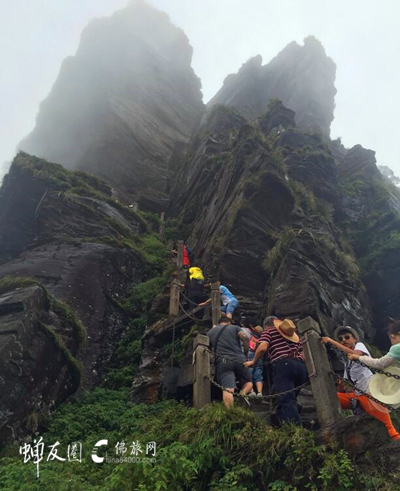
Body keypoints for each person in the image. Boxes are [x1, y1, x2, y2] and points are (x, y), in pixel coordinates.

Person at [321, 326, 400, 441]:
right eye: (340, 338)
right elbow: (343, 386)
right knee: (332, 398)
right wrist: (340, 385)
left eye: (347, 337)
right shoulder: (347, 363)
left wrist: (332, 342)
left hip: (370, 393)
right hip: (357, 397)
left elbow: (355, 354)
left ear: (355, 339)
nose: (343, 340)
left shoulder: (360, 347)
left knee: (389, 428)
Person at [245, 317, 307, 425]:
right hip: (301, 367)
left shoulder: (269, 331)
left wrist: (253, 361)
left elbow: (263, 347)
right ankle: (285, 422)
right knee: (290, 398)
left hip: (284, 364)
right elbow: (304, 353)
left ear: (265, 326)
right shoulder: (293, 334)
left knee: (285, 399)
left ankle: (294, 431)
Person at [207, 317, 253, 407]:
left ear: (219, 323)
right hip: (240, 359)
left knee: (228, 388)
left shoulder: (210, 332)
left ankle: (230, 412)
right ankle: (242, 394)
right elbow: (245, 338)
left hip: (223, 360)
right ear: (229, 322)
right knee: (249, 382)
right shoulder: (235, 328)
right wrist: (246, 354)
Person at [241, 318, 264, 397]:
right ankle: (260, 392)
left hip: (248, 353)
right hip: (258, 353)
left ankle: (251, 391)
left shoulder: (243, 330)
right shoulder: (258, 332)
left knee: (248, 372)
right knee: (258, 372)